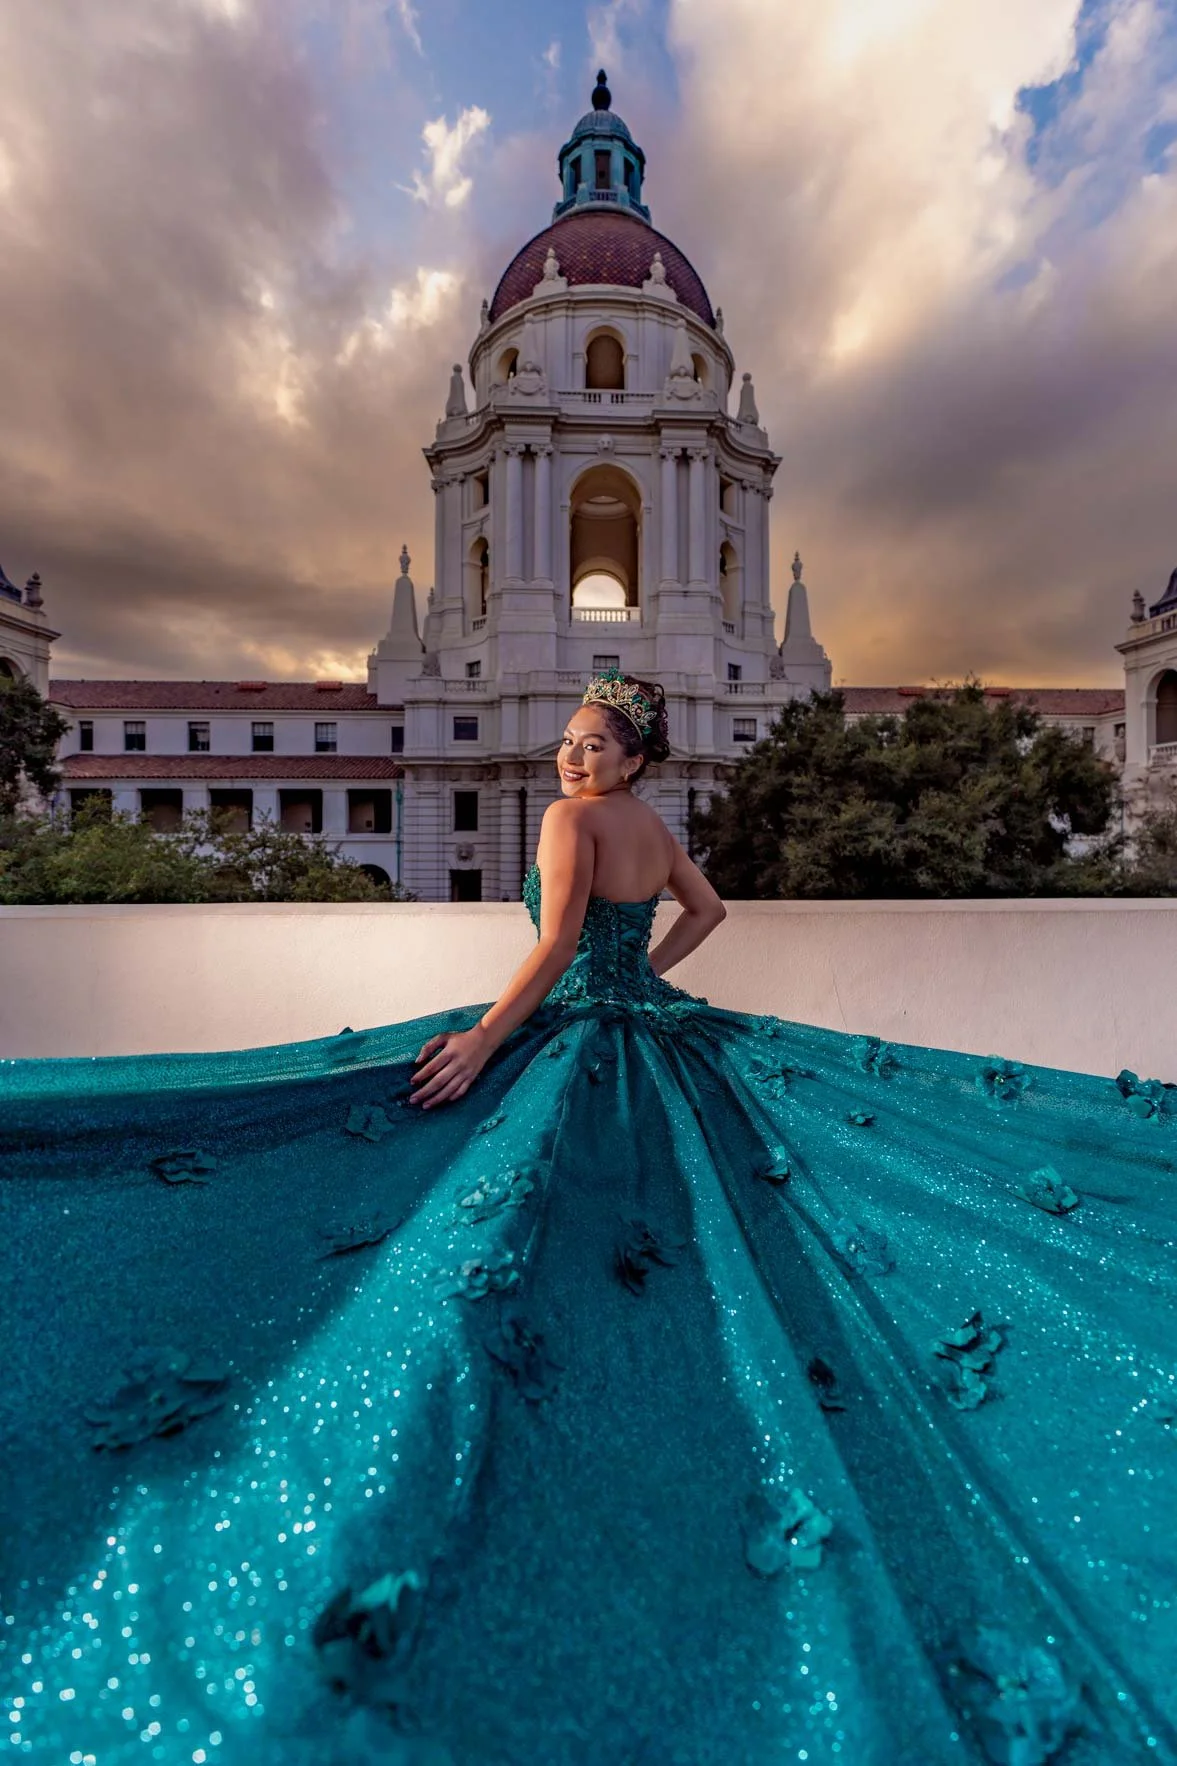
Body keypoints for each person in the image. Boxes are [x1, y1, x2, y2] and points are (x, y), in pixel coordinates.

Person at [1, 670, 1175, 1766]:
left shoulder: (567, 826)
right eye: (566, 744)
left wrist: (482, 1036)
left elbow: (557, 943)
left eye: (592, 744)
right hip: (657, 1032)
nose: (570, 759)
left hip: (575, 1031)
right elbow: (709, 910)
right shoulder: (657, 829)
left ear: (631, 753)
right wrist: (646, 976)